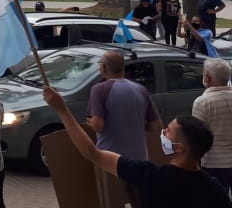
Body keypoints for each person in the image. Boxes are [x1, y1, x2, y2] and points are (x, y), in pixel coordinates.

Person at [43, 85, 232, 208]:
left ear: (180, 147)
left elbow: (93, 153)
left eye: (168, 132)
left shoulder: (150, 176)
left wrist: (62, 110)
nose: (163, 133)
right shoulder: (215, 191)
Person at [87, 50, 162, 207]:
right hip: (139, 159)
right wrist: (136, 124)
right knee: (137, 201)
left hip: (110, 159)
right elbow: (157, 126)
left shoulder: (99, 90)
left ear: (104, 68)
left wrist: (90, 122)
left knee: (112, 202)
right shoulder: (140, 89)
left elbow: (98, 125)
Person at [193, 58, 232, 194]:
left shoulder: (202, 102)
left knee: (218, 200)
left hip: (214, 163)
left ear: (207, 77)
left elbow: (197, 136)